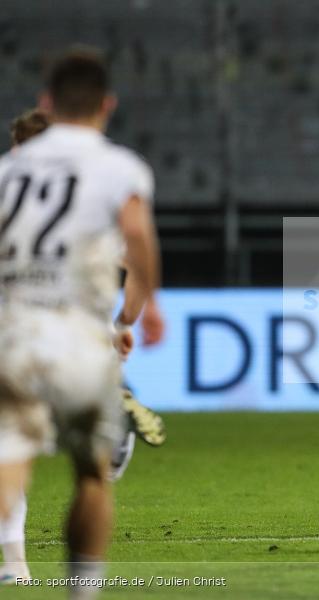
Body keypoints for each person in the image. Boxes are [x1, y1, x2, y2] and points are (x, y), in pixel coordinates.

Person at [0, 47, 164, 598]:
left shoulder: (6, 172)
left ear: (47, 104)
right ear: (107, 105)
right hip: (78, 336)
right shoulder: (118, 167)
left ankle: (10, 560)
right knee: (93, 474)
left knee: (9, 455)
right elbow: (137, 240)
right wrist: (143, 313)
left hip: (14, 333)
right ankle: (81, 592)